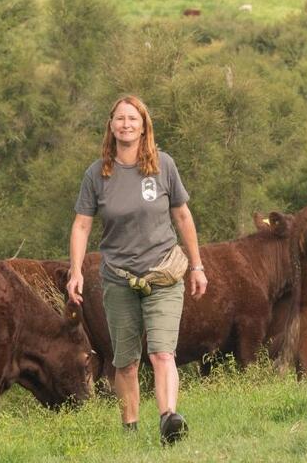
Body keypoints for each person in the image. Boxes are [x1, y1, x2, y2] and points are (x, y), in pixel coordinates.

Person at [67, 95, 207, 445]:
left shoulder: (163, 165)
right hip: (118, 277)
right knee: (126, 361)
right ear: (111, 126)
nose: (126, 124)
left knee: (162, 352)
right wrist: (76, 271)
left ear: (144, 125)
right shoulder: (97, 173)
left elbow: (183, 216)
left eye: (133, 118)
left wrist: (197, 266)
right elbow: (82, 226)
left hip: (163, 273)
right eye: (120, 119)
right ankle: (130, 429)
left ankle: (168, 420)